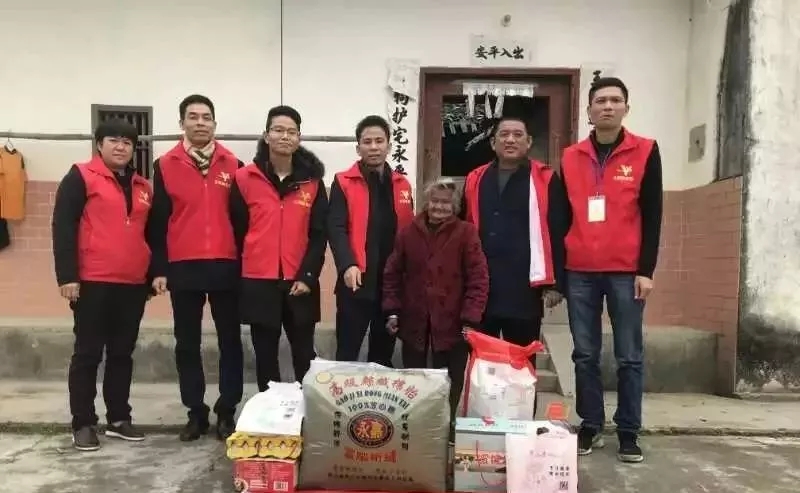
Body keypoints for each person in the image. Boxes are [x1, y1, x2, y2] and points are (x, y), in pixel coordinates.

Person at [559, 77, 663, 463]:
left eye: (615, 100)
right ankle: (590, 424)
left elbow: (653, 214)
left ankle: (628, 431)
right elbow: (560, 217)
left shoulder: (646, 150)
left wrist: (646, 269)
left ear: (625, 108)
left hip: (626, 272)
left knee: (629, 355)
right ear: (588, 110)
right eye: (600, 100)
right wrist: (559, 274)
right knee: (584, 354)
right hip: (580, 270)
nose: (607, 106)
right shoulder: (570, 156)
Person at [148, 94, 244, 441]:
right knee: (186, 343)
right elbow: (158, 221)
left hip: (225, 264)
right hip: (183, 265)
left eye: (206, 117)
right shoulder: (165, 165)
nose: (200, 123)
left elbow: (242, 220)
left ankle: (227, 410)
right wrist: (159, 268)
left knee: (230, 341)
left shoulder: (235, 164)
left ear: (214, 123)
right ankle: (196, 412)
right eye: (193, 117)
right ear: (182, 123)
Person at [52, 119, 152, 451]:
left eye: (127, 142)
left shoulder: (142, 186)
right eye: (113, 140)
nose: (121, 147)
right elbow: (63, 226)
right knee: (88, 354)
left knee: (122, 354)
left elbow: (150, 233)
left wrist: (151, 275)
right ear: (99, 144)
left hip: (132, 283)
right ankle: (82, 422)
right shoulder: (81, 176)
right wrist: (67, 276)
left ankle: (119, 418)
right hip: (92, 281)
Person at [230, 105, 328, 388]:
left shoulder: (312, 182)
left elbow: (319, 234)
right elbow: (238, 229)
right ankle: (269, 409)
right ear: (266, 135)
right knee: (265, 356)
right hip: (259, 280)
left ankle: (306, 407)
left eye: (291, 132)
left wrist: (307, 275)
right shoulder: (245, 178)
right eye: (278, 130)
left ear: (299, 138)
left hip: (300, 281)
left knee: (304, 355)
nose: (285, 136)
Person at [382, 177, 489, 429]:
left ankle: (446, 426)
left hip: (453, 321)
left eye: (446, 203)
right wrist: (392, 311)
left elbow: (478, 278)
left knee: (450, 380)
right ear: (426, 202)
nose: (439, 207)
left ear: (455, 206)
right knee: (414, 379)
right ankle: (415, 427)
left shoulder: (466, 233)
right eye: (435, 201)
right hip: (414, 319)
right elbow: (392, 273)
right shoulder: (408, 232)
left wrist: (471, 318)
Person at [460, 115, 567, 361]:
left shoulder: (545, 179)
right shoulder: (476, 178)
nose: (510, 140)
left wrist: (556, 284)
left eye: (518, 135)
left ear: (528, 142)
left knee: (520, 362)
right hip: (482, 287)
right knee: (482, 362)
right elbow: (462, 228)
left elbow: (558, 230)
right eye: (504, 134)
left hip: (524, 289)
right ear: (493, 143)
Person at [328, 115, 414, 365]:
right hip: (356, 280)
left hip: (390, 284)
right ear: (358, 148)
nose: (374, 147)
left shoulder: (402, 184)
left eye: (379, 141)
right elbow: (336, 227)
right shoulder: (343, 182)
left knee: (383, 354)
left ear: (389, 146)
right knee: (347, 352)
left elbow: (410, 232)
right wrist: (347, 264)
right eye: (367, 142)